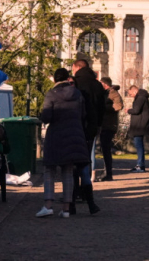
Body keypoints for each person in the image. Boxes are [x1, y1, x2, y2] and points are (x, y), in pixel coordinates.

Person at [36, 68, 90, 219]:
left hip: (56, 135)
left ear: (54, 79)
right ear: (68, 78)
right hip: (74, 134)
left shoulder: (51, 94)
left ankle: (48, 205)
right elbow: (83, 114)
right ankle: (66, 209)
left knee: (49, 170)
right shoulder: (77, 94)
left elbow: (46, 117)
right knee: (68, 171)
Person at [72, 58, 105, 213]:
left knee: (73, 163)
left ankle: (74, 196)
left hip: (76, 127)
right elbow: (101, 108)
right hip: (91, 127)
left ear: (77, 67)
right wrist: (98, 125)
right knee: (86, 160)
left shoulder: (75, 84)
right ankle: (89, 198)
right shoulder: (97, 85)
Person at [98, 76, 123, 182]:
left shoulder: (113, 93)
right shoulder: (105, 93)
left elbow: (119, 106)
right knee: (104, 149)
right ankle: (107, 172)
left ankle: (108, 173)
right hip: (103, 124)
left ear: (104, 84)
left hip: (109, 125)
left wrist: (104, 107)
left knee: (106, 149)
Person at [127, 84, 149, 173]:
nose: (131, 96)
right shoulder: (142, 97)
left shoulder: (140, 98)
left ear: (135, 91)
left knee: (139, 145)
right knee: (139, 145)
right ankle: (140, 164)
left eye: (131, 94)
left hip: (139, 126)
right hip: (140, 125)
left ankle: (140, 165)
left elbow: (136, 110)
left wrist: (128, 110)